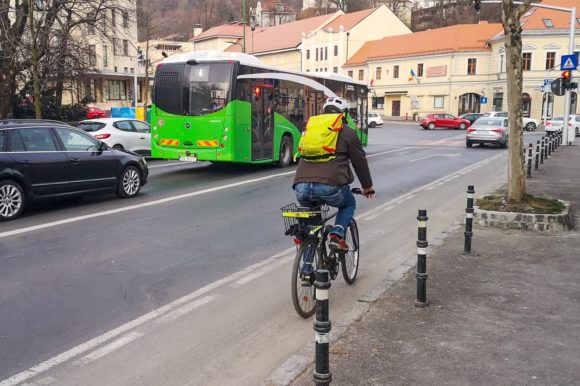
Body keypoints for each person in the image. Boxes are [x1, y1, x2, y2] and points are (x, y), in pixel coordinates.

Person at [293, 96, 375, 254]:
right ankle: (337, 234)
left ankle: (306, 271)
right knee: (348, 203)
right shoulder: (348, 132)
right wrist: (367, 187)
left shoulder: (309, 130)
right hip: (331, 187)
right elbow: (360, 161)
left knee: (312, 229)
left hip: (301, 187)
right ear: (343, 114)